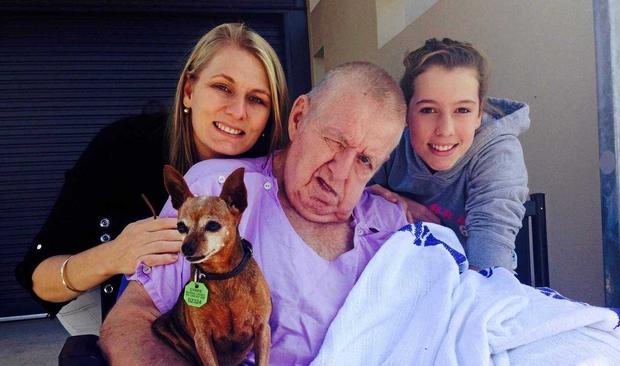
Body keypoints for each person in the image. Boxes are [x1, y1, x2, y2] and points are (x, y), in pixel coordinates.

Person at [99, 62, 408, 365]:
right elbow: (134, 318)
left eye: (365, 160)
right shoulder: (215, 191)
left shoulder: (393, 226)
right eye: (335, 141)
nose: (340, 173)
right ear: (299, 118)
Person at [14, 23, 289, 335]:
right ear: (189, 91)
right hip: (115, 301)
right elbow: (38, 278)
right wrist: (114, 255)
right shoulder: (123, 148)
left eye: (257, 99)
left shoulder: (276, 173)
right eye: (222, 87)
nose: (238, 111)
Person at [370, 37, 529, 271]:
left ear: (479, 114)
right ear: (405, 113)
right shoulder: (389, 141)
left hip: (465, 280)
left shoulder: (497, 153)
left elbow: (489, 265)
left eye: (462, 110)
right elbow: (351, 203)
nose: (445, 129)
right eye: (428, 110)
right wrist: (396, 204)